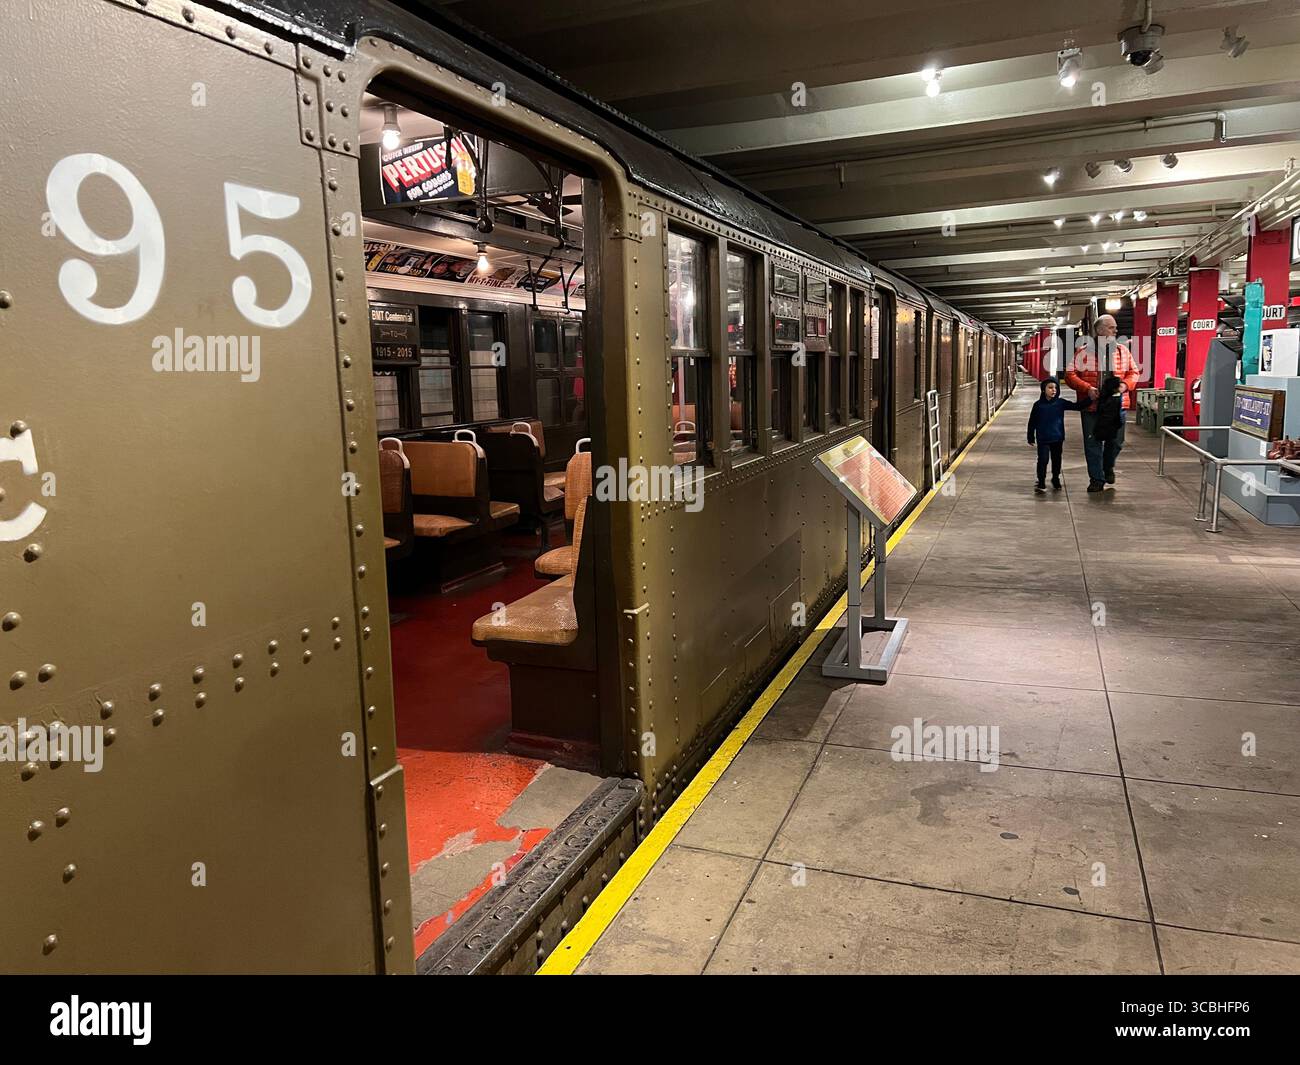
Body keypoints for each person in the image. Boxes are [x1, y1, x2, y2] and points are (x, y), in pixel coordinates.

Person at [1064, 314, 1139, 492]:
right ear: (1099, 330)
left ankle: (1107, 467)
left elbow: (1134, 372)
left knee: (1116, 442)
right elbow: (1069, 375)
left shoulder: (1122, 351)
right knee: (1092, 443)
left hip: (1116, 406)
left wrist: (1124, 385)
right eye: (1111, 327)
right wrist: (1087, 388)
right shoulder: (1082, 352)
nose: (1116, 330)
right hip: (1091, 405)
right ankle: (1097, 479)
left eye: (1115, 327)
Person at [1026, 378, 1083, 493]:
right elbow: (1032, 422)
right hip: (1043, 438)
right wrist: (1030, 437)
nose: (1054, 390)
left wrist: (1091, 399)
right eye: (1050, 387)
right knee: (1043, 459)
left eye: (1056, 388)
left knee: (1057, 460)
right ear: (1043, 390)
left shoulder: (1060, 403)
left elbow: (1077, 407)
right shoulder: (1038, 405)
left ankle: (1055, 478)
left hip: (1057, 438)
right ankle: (1041, 481)